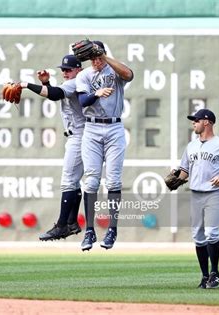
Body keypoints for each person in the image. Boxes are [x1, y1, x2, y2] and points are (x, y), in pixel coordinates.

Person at [75, 41, 134, 251]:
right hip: (91, 130)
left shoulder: (113, 70)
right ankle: (89, 230)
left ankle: (112, 229)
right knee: (91, 181)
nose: (96, 61)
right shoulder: (84, 75)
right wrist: (97, 94)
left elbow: (129, 74)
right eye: (93, 58)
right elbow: (83, 101)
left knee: (114, 180)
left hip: (114, 127)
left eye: (98, 57)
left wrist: (106, 56)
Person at [19, 55, 84, 241]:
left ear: (78, 69)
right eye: (63, 69)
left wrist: (26, 85)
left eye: (69, 69)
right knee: (75, 181)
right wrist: (47, 83)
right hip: (81, 135)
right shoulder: (74, 82)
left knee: (68, 181)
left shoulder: (76, 81)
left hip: (79, 136)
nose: (65, 72)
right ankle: (71, 222)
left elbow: (55, 94)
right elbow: (57, 92)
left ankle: (62, 225)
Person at [176, 109, 219, 289]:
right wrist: (176, 178)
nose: (193, 123)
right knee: (198, 237)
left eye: (196, 120)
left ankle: (215, 272)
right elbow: (184, 171)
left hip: (215, 193)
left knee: (211, 233)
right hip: (196, 194)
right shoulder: (191, 146)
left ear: (207, 122)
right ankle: (205, 276)